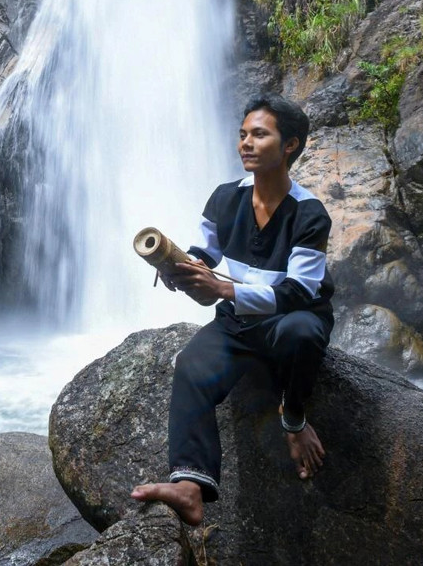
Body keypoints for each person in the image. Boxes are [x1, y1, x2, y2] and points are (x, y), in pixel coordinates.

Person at [129, 94, 334, 526]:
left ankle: (294, 418)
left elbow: (299, 292)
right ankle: (190, 485)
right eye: (242, 134)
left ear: (290, 145)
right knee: (191, 365)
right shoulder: (225, 198)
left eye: (259, 134)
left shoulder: (310, 213)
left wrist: (224, 288)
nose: (246, 143)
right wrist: (177, 266)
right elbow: (205, 252)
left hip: (289, 320)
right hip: (239, 321)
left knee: (301, 331)